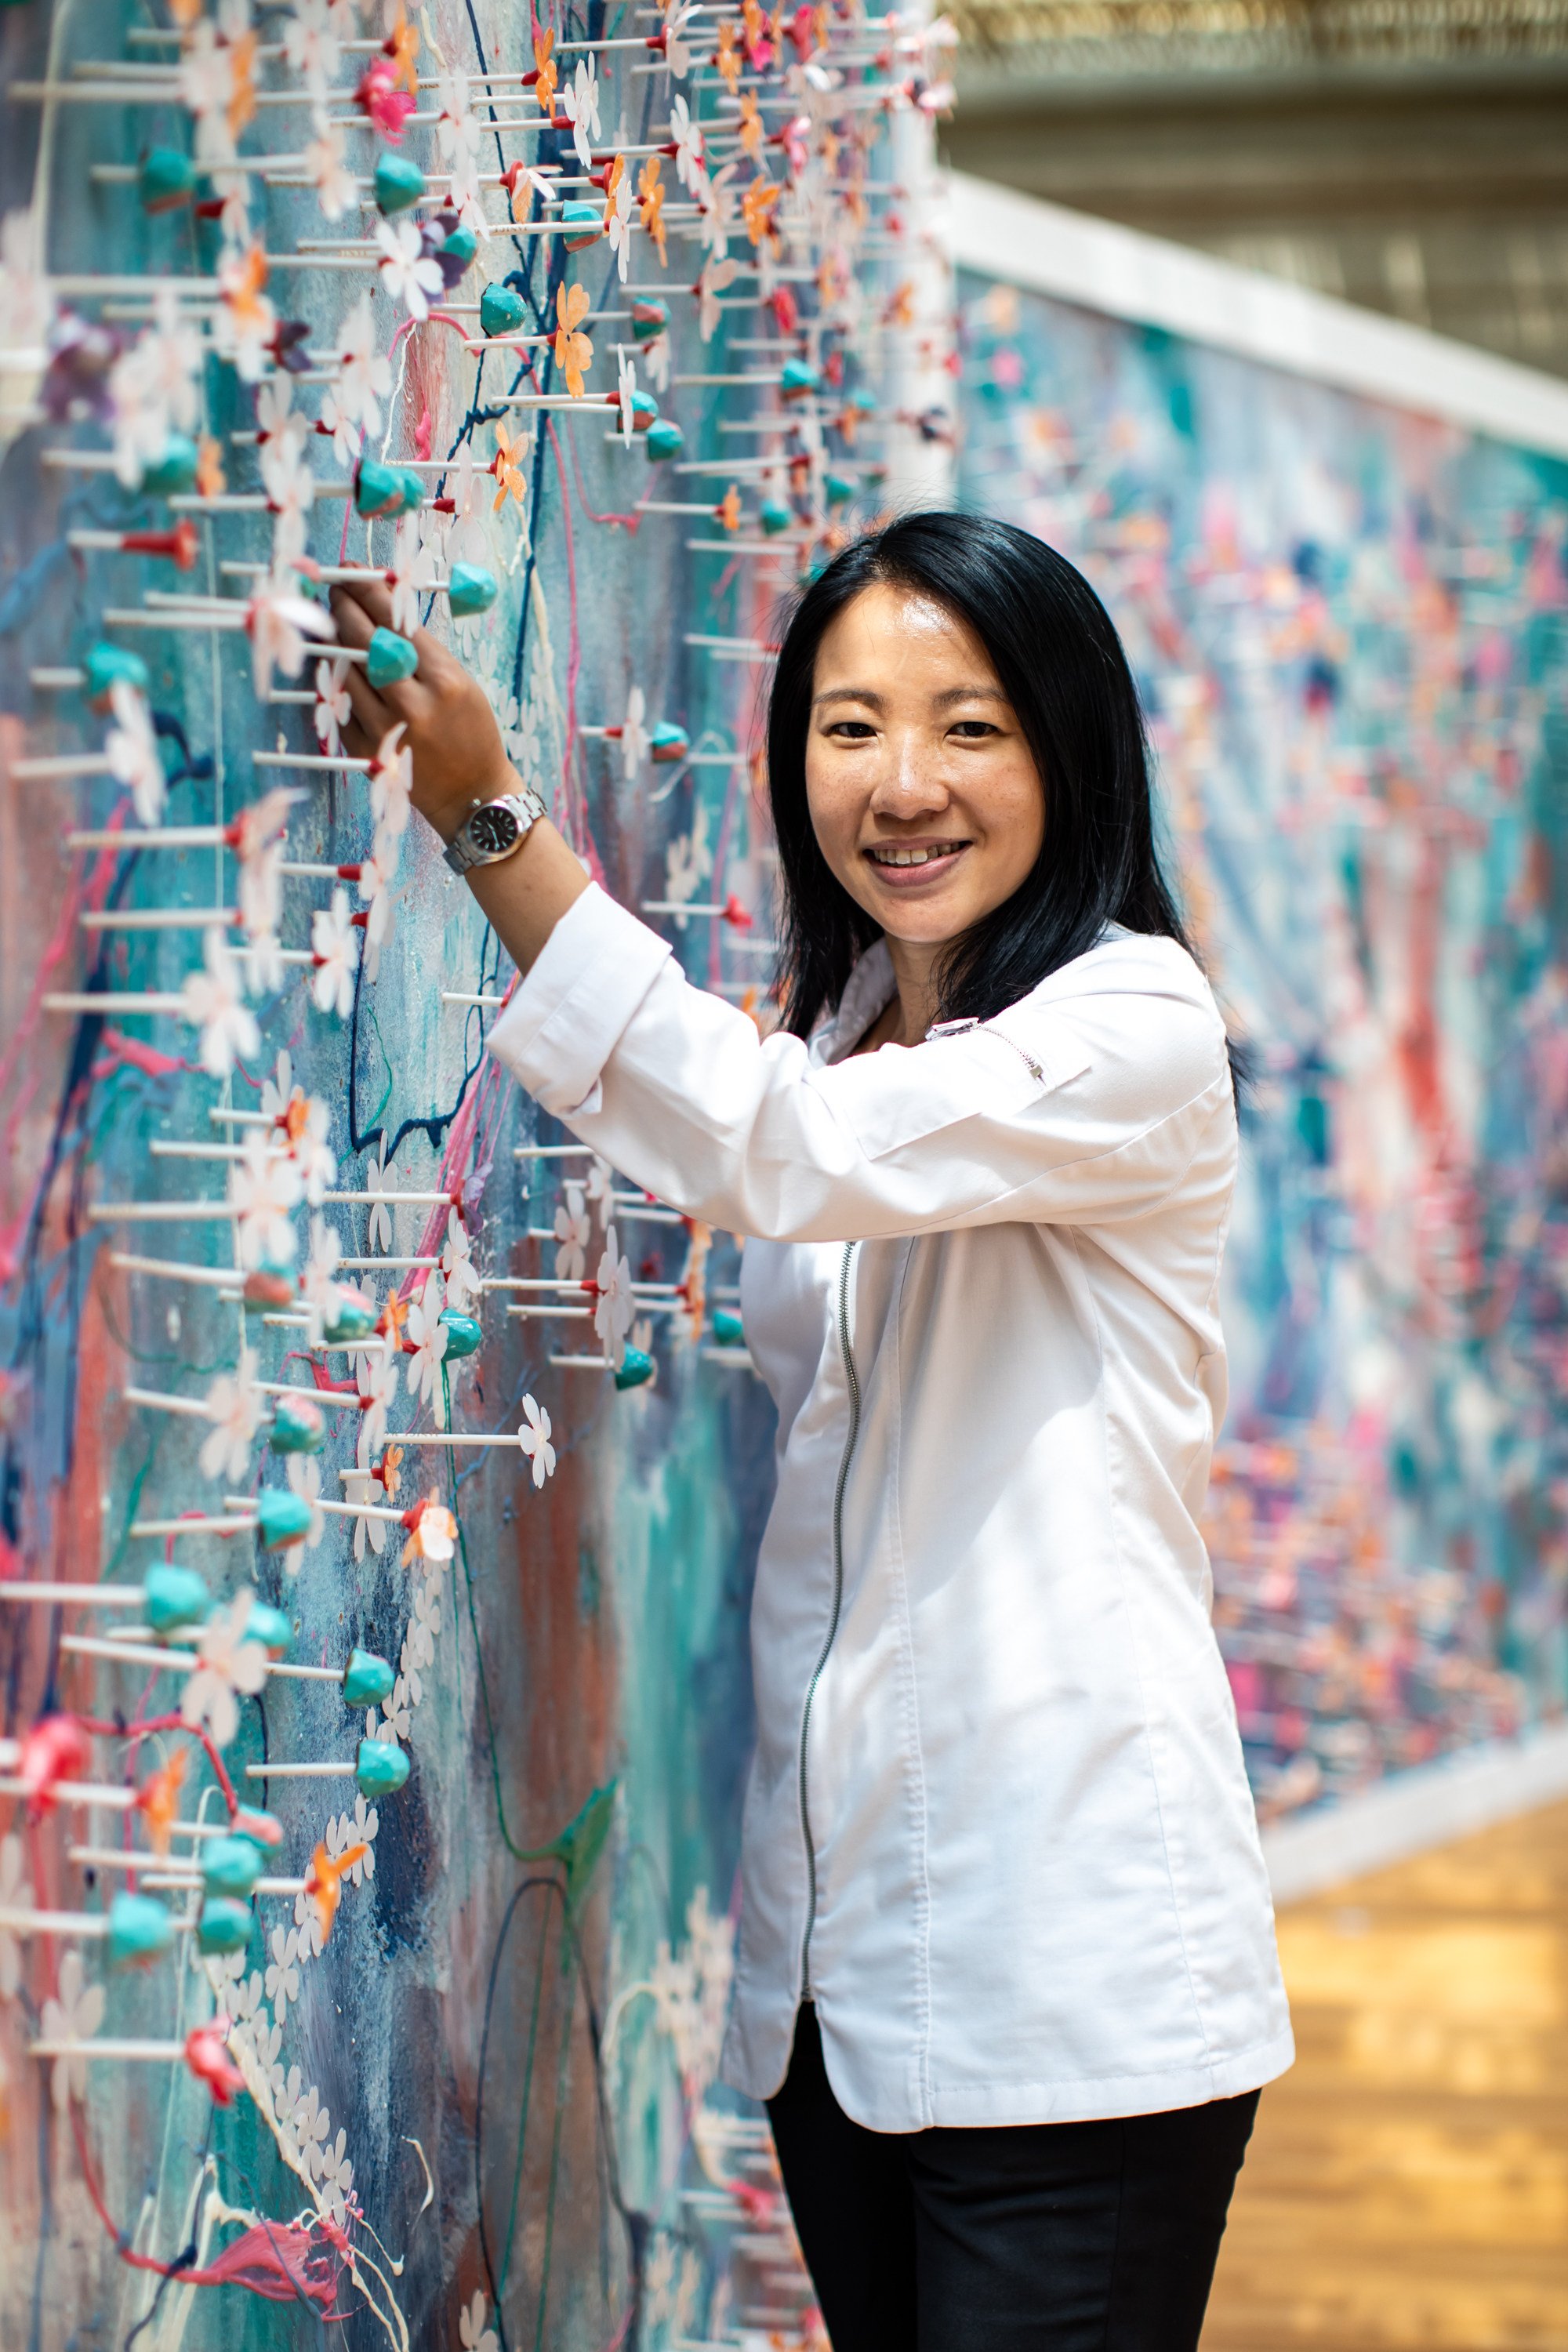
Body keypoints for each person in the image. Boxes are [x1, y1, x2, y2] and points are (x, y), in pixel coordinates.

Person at [329, 511, 1293, 2351]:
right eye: (849, 727)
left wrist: (486, 822)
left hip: (1062, 1980)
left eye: (971, 726)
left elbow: (779, 1154)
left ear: (1069, 750)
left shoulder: (1132, 1023)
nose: (902, 784)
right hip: (841, 2000)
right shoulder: (852, 1021)